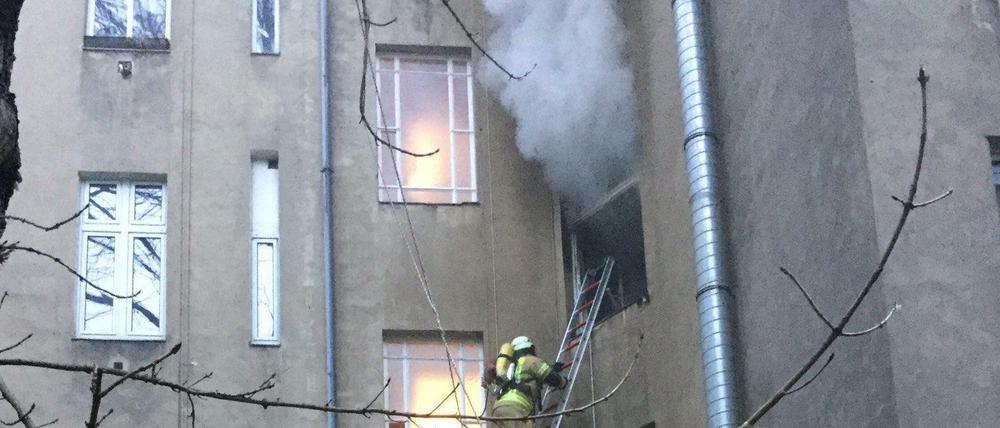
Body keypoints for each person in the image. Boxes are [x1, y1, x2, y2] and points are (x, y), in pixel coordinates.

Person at [487, 336, 566, 428]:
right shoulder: (530, 360)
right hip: (515, 409)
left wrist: (552, 368)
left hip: (498, 409)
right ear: (529, 348)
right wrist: (563, 381)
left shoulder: (509, 367)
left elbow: (521, 379)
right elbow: (552, 378)